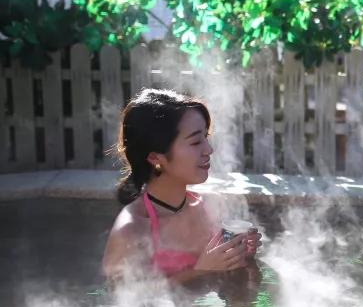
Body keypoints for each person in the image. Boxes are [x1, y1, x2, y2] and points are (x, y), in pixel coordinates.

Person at [102, 88, 261, 283]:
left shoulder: (212, 208)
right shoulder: (131, 230)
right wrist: (200, 271)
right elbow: (122, 305)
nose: (209, 150)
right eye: (195, 142)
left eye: (206, 137)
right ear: (155, 157)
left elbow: (232, 282)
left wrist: (241, 255)